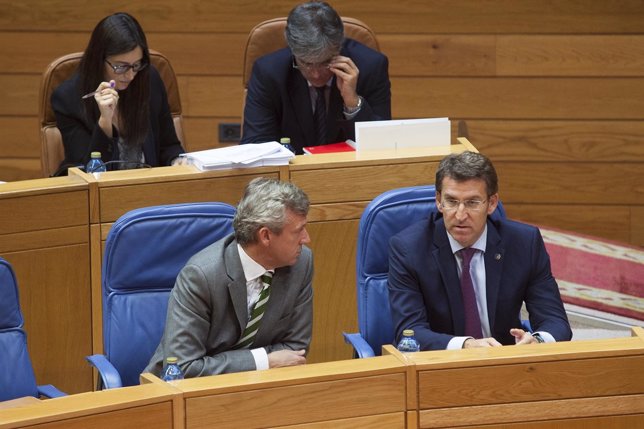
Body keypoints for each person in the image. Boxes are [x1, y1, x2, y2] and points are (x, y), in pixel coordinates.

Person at [387, 151, 572, 350]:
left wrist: (538, 340)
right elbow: (409, 331)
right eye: (451, 201)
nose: (460, 215)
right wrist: (466, 345)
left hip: (504, 363)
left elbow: (556, 321)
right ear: (439, 201)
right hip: (439, 366)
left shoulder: (524, 243)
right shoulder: (409, 249)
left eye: (472, 203)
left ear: (491, 203)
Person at [145, 177, 313, 377]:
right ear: (265, 236)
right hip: (187, 394)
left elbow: (295, 350)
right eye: (298, 231)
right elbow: (184, 367)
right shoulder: (201, 276)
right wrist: (264, 361)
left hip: (262, 389)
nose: (306, 238)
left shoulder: (301, 263)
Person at [241, 1, 391, 154]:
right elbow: (255, 146)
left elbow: (383, 146)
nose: (316, 74)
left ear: (339, 46)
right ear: (293, 50)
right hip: (290, 172)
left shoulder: (371, 67)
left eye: (325, 62)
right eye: (306, 63)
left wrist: (353, 103)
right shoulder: (269, 72)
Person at [51, 12, 184, 175]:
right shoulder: (68, 98)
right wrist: (105, 121)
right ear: (99, 59)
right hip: (102, 195)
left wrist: (177, 161)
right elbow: (86, 172)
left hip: (150, 189)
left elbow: (168, 146)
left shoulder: (148, 79)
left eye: (136, 64)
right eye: (121, 67)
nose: (130, 76)